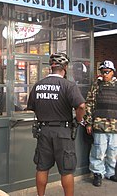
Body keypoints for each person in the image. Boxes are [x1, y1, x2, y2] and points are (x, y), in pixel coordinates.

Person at [27, 53, 86, 196]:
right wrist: (78, 120)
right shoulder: (68, 85)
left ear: (50, 68)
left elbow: (32, 107)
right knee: (67, 170)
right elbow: (81, 106)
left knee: (42, 167)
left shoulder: (38, 85)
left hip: (44, 131)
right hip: (63, 132)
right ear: (65, 67)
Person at [84, 60, 117, 187]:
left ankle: (111, 173)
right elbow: (89, 104)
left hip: (114, 125)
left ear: (113, 72)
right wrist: (88, 123)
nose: (104, 75)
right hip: (99, 124)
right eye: (102, 72)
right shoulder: (96, 85)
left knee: (113, 151)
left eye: (106, 72)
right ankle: (98, 173)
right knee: (98, 150)